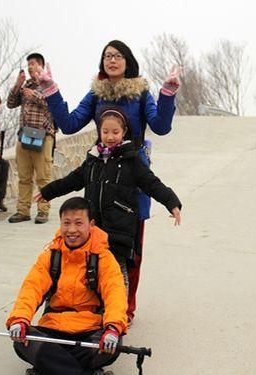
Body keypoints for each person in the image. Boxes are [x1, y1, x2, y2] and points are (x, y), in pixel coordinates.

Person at [37, 40, 181, 321]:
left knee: (129, 248)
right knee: (94, 246)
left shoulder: (140, 93)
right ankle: (97, 303)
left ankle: (124, 308)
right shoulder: (96, 93)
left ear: (128, 61)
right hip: (102, 177)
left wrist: (168, 94)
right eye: (107, 56)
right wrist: (51, 91)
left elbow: (161, 127)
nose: (112, 60)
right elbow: (69, 124)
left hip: (132, 174)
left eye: (117, 56)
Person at [35, 106, 181, 294]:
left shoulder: (132, 160)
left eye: (115, 132)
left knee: (117, 274)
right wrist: (48, 192)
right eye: (105, 131)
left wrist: (172, 203)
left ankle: (118, 314)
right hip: (94, 229)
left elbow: (151, 183)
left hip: (120, 229)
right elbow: (72, 180)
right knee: (93, 271)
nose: (110, 136)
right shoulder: (93, 159)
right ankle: (98, 312)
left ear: (124, 132)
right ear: (99, 132)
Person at [6, 197, 127, 375]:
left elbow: (115, 294)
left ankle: (49, 367)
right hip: (52, 328)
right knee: (22, 341)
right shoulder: (50, 256)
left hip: (89, 331)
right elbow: (31, 289)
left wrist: (113, 328)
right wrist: (19, 319)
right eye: (66, 223)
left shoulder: (104, 258)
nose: (71, 230)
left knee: (112, 345)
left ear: (91, 224)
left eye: (79, 223)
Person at [6, 53, 56, 224]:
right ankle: (23, 211)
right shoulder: (25, 86)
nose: (30, 67)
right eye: (28, 64)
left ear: (41, 65)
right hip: (25, 136)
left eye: (33, 64)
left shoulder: (49, 84)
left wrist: (33, 95)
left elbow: (53, 104)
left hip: (43, 135)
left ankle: (43, 211)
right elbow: (10, 103)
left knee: (43, 177)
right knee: (24, 177)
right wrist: (17, 85)